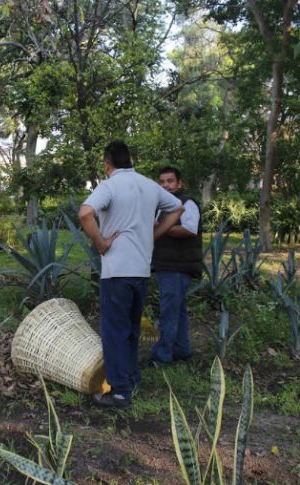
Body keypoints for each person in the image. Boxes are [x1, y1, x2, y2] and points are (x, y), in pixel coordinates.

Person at [78, 140, 184, 409]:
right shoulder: (149, 185)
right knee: (131, 329)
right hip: (141, 270)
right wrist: (153, 234)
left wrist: (101, 243)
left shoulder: (110, 186)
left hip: (117, 271)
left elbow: (85, 213)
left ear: (107, 163)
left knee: (115, 331)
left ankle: (120, 392)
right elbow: (177, 208)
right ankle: (132, 377)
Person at [150, 166, 202, 367]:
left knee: (169, 312)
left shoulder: (187, 203)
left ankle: (162, 356)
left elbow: (190, 229)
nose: (166, 185)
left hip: (178, 266)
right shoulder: (162, 206)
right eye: (162, 182)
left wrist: (162, 227)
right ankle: (182, 350)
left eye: (170, 181)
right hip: (167, 265)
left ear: (180, 183)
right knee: (177, 310)